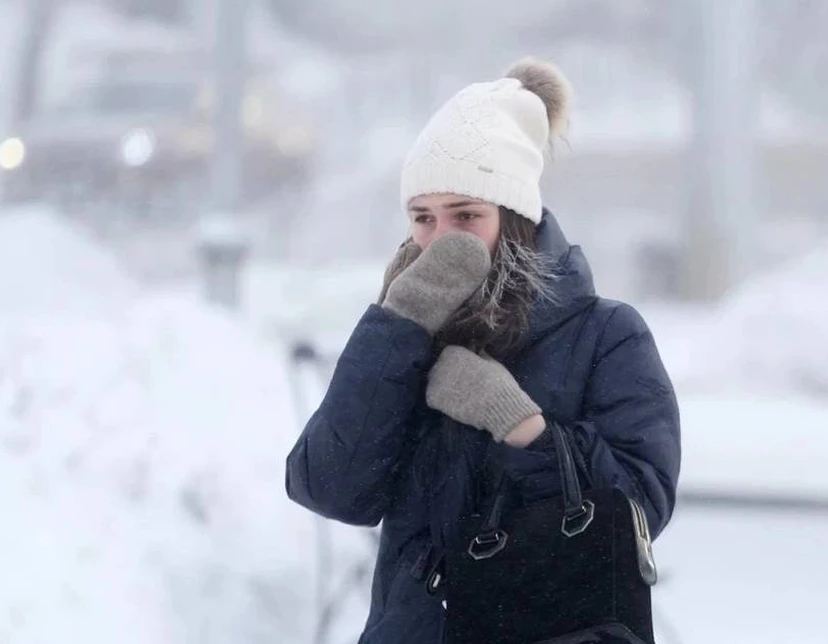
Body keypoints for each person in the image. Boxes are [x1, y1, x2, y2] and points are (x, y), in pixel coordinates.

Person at [285, 58, 681, 643]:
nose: (440, 239)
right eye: (423, 217)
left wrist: (523, 428)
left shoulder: (608, 333)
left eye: (466, 216)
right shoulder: (402, 334)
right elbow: (329, 487)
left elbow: (638, 509)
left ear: (515, 219)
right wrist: (398, 329)